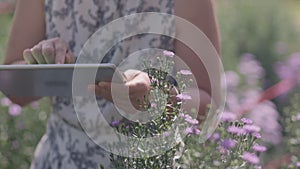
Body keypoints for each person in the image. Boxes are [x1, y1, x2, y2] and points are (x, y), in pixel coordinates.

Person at [4, 0, 220, 168]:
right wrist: (43, 62)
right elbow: (16, 92)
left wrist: (156, 97)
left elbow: (209, 104)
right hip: (60, 159)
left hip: (148, 162)